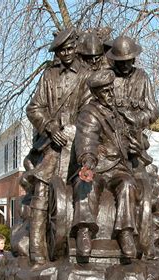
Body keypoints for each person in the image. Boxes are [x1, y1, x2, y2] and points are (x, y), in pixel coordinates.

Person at [24, 27, 91, 265]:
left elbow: (91, 109)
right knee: (42, 191)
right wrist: (51, 128)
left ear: (76, 46)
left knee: (85, 186)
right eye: (62, 51)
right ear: (57, 53)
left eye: (71, 48)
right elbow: (33, 108)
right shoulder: (49, 76)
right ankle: (36, 249)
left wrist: (74, 129)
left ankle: (79, 243)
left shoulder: (86, 75)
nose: (67, 53)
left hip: (78, 142)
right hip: (52, 144)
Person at [72, 69, 145, 259]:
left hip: (119, 167)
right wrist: (88, 164)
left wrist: (137, 145)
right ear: (96, 94)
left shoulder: (119, 112)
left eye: (111, 89)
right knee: (86, 186)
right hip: (98, 167)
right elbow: (87, 141)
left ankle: (126, 232)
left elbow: (130, 138)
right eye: (105, 91)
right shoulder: (89, 114)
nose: (111, 94)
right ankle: (84, 231)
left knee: (128, 185)